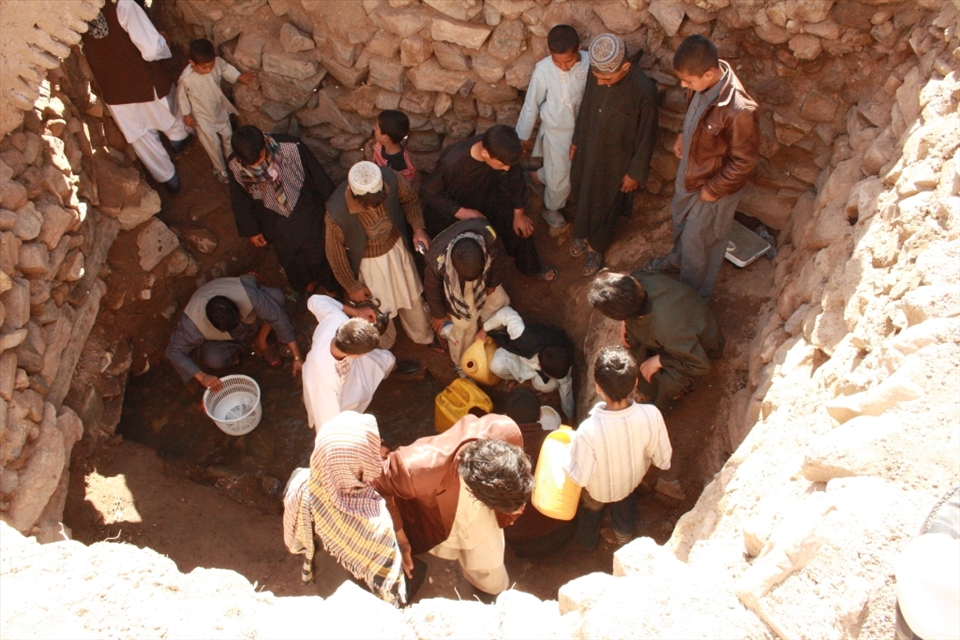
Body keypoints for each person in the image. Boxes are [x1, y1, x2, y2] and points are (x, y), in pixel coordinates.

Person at [644, 35, 760, 300]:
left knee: (700, 242)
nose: (683, 85)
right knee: (680, 223)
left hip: (713, 188)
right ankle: (676, 263)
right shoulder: (702, 81)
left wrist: (713, 189)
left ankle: (694, 298)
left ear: (708, 74)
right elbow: (694, 114)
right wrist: (683, 133)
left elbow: (744, 161)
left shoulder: (739, 110)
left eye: (688, 81)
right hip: (690, 175)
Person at [374, 413, 533, 600]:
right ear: (479, 495)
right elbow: (378, 483)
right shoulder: (415, 470)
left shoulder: (507, 432)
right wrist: (401, 539)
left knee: (489, 560)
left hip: (475, 511)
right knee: (456, 542)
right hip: (438, 514)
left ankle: (494, 593)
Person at [282, 412, 426, 606]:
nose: (378, 451)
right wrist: (402, 549)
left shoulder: (301, 484)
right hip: (360, 599)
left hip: (327, 582)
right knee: (417, 572)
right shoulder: (374, 522)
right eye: (371, 450)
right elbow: (388, 579)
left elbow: (295, 541)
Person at [563, 346, 672, 550]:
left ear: (598, 387)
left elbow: (581, 478)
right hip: (629, 483)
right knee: (625, 506)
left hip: (597, 491)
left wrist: (567, 455)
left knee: (590, 510)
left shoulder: (587, 431)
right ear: (635, 382)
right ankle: (624, 539)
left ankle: (587, 543)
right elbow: (663, 459)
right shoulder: (652, 415)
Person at [568, 34, 659, 277]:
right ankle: (581, 234)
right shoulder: (597, 75)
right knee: (582, 191)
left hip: (616, 161)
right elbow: (586, 106)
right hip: (589, 148)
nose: (600, 83)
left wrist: (634, 173)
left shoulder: (644, 90)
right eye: (597, 77)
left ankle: (596, 248)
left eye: (607, 78)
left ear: (625, 67)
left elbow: (647, 136)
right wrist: (576, 140)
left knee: (606, 202)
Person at [80, 0, 191, 194]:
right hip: (145, 80)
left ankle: (168, 178)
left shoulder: (74, 14)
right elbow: (152, 49)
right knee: (169, 110)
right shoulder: (123, 5)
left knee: (142, 137)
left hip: (115, 90)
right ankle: (178, 141)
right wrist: (163, 41)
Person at [421, 125, 558, 282]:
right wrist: (462, 212)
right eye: (502, 165)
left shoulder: (502, 150)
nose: (506, 169)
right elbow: (428, 191)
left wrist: (519, 214)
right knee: (465, 252)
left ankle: (531, 268)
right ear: (485, 154)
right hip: (452, 210)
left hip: (487, 196)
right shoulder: (453, 161)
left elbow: (515, 180)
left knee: (520, 225)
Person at [325, 161, 436, 351]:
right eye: (368, 207)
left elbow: (410, 200)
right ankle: (383, 347)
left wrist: (418, 228)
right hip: (368, 264)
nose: (374, 210)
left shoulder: (391, 179)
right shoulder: (336, 212)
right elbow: (335, 254)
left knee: (413, 298)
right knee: (376, 310)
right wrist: (352, 286)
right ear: (353, 193)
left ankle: (422, 335)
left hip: (396, 249)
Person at [587, 270, 724, 411]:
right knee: (635, 348)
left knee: (669, 384)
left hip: (700, 348)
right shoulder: (636, 281)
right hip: (679, 326)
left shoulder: (664, 329)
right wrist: (625, 320)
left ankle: (662, 405)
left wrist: (661, 360)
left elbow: (700, 364)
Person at [229, 125, 337, 298]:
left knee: (318, 253)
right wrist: (252, 230)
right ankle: (308, 285)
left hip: (305, 209)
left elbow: (318, 178)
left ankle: (331, 290)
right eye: (252, 164)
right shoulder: (234, 165)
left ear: (264, 143)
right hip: (273, 218)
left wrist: (334, 210)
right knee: (290, 258)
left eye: (260, 159)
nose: (257, 165)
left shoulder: (291, 147)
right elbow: (240, 199)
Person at [165, 275, 302, 393]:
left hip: (251, 319)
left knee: (276, 298)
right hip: (226, 337)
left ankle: (261, 340)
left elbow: (277, 317)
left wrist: (297, 357)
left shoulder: (247, 295)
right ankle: (236, 352)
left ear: (232, 302)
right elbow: (174, 351)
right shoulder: (192, 325)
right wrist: (202, 376)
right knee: (214, 360)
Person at [515, 24, 589, 229]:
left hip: (584, 131)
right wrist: (522, 137)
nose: (563, 67)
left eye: (569, 61)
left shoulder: (589, 64)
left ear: (579, 49)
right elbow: (531, 104)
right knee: (561, 176)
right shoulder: (543, 70)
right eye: (558, 62)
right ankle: (551, 208)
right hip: (557, 133)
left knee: (577, 168)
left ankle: (537, 176)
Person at [499, 388, 577, 558]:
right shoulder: (557, 441)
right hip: (560, 532)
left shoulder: (497, 450)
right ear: (541, 414)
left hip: (517, 540)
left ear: (507, 416)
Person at [423, 218, 510, 367]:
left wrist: (492, 284)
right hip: (456, 288)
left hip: (482, 278)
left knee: (499, 300)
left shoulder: (487, 235)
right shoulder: (436, 260)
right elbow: (432, 289)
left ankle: (490, 329)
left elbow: (496, 259)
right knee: (463, 325)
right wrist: (439, 315)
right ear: (451, 261)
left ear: (484, 251)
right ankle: (462, 360)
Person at [301, 295, 395, 430]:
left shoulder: (338, 320)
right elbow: (328, 427)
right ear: (356, 355)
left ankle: (392, 369)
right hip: (338, 391)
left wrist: (357, 312)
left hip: (353, 368)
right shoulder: (323, 380)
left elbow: (315, 299)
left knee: (387, 359)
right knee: (350, 415)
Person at [177, 38, 254, 184]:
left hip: (219, 110)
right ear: (192, 63)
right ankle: (220, 169)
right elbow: (182, 97)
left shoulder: (217, 63)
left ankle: (232, 162)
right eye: (204, 68)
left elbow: (225, 68)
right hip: (202, 118)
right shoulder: (186, 79)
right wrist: (187, 115)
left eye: (211, 66)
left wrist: (238, 76)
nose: (209, 70)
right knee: (213, 146)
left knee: (228, 137)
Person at [478, 305, 575, 419]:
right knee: (496, 366)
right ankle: (515, 378)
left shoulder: (562, 362)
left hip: (537, 369)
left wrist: (569, 416)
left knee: (543, 386)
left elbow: (566, 390)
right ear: (540, 365)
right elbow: (506, 313)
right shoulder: (522, 337)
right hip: (518, 355)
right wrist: (484, 329)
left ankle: (527, 380)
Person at [372, 110, 416, 186]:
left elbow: (404, 187)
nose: (374, 128)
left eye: (376, 128)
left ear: (385, 138)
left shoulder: (402, 166)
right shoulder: (379, 145)